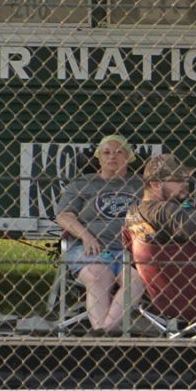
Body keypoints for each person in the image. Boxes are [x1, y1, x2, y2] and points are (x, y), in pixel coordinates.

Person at [121, 153, 196, 330]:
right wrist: (194, 213)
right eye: (177, 179)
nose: (185, 183)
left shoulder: (133, 212)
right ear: (155, 184)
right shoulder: (166, 210)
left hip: (160, 299)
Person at [54, 134, 141, 332]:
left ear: (128, 157)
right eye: (106, 152)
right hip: (90, 248)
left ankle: (102, 331)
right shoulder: (83, 184)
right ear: (98, 157)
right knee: (98, 274)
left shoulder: (139, 185)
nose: (113, 157)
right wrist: (86, 236)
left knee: (134, 281)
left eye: (119, 152)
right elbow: (64, 216)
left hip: (130, 252)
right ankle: (105, 331)